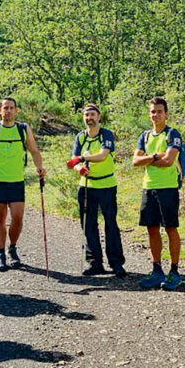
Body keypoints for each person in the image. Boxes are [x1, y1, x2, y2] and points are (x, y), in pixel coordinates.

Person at [0, 97, 46, 272]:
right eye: (5, 108)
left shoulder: (23, 129)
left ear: (16, 111)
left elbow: (34, 151)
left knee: (18, 218)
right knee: (1, 218)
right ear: (0, 111)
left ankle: (12, 247)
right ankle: (1, 254)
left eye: (11, 108)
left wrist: (40, 167)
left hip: (16, 180)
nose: (8, 111)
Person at [67, 104, 126, 277]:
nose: (89, 118)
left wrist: (82, 158)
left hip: (107, 185)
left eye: (92, 114)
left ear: (99, 117)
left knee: (111, 224)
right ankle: (95, 263)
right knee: (89, 225)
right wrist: (79, 168)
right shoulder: (80, 137)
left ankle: (116, 264)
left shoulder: (106, 134)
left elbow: (102, 155)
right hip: (86, 187)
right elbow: (74, 160)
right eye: (86, 115)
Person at [132, 97, 184, 291]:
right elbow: (134, 161)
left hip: (168, 188)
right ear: (149, 113)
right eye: (153, 111)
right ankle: (156, 270)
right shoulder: (144, 136)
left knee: (170, 228)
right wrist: (155, 156)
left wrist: (146, 159)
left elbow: (169, 161)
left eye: (159, 111)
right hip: (148, 187)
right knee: (152, 229)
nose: (156, 115)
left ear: (166, 113)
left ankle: (175, 271)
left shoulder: (172, 134)